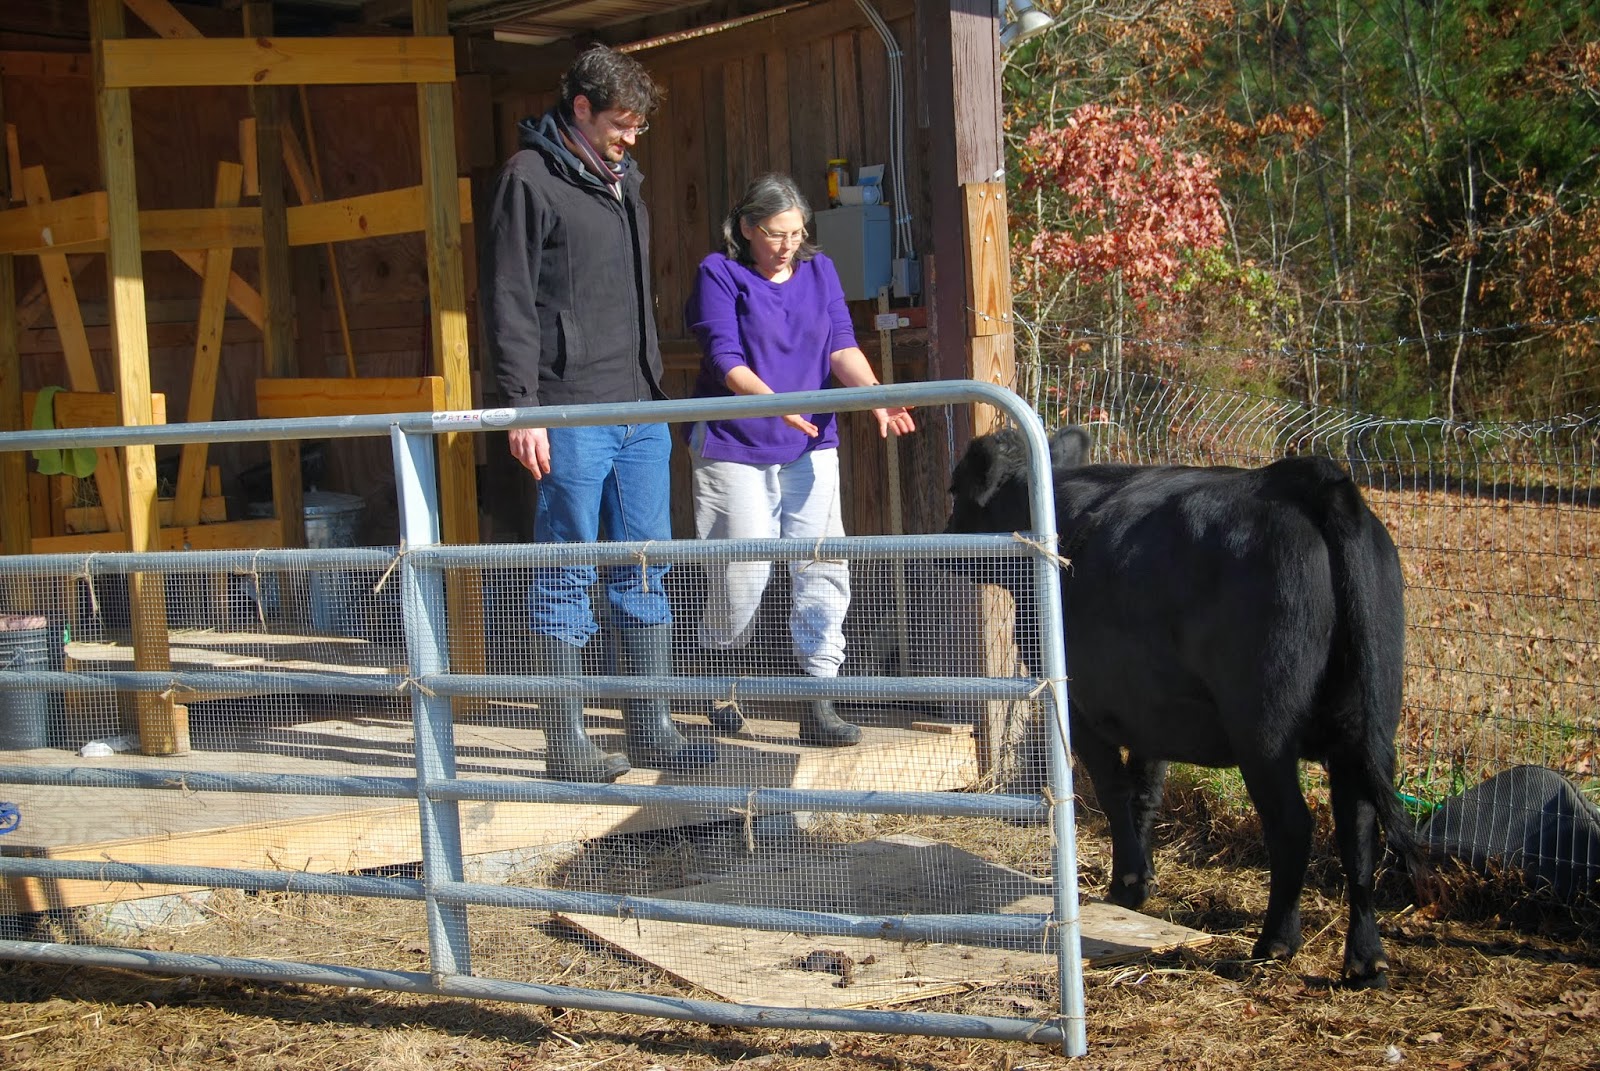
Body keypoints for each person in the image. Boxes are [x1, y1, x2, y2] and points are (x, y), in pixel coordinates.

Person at [480, 44, 713, 782]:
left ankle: (652, 727)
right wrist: (521, 408)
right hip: (570, 408)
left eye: (638, 126)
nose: (631, 138)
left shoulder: (623, 182)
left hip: (640, 404)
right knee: (568, 567)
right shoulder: (528, 178)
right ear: (580, 109)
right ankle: (567, 742)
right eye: (620, 123)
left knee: (645, 567)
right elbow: (509, 299)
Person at [684, 173, 916, 746]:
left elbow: (842, 345)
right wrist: (776, 403)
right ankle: (720, 680)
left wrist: (876, 397)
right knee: (743, 572)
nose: (788, 244)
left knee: (822, 564)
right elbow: (724, 359)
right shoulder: (719, 272)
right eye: (775, 233)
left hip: (812, 442)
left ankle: (819, 696)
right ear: (746, 228)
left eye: (796, 232)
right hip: (735, 443)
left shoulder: (820, 270)